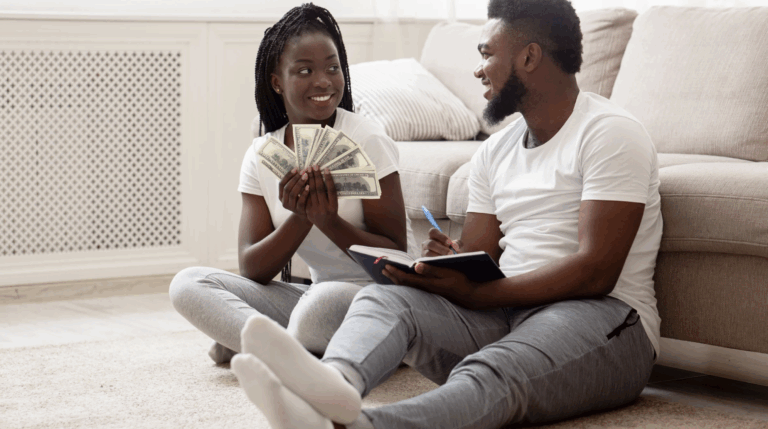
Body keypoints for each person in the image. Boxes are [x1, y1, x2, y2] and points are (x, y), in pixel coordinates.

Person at [229, 0, 663, 428]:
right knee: (384, 298)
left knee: (493, 371)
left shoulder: (609, 133)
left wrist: (481, 295)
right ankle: (333, 387)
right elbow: (480, 259)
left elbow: (596, 271)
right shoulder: (496, 151)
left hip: (602, 318)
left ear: (529, 56)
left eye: (487, 54)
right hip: (505, 313)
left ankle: (362, 425)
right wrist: (449, 260)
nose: (479, 70)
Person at [169, 3, 417, 364]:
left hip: (373, 298)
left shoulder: (367, 139)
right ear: (276, 82)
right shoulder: (261, 154)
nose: (323, 81)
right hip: (313, 297)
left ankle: (255, 342)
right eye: (305, 70)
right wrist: (301, 217)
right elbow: (253, 269)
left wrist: (329, 220)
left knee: (317, 309)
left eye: (333, 68)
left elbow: (395, 257)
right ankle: (286, 351)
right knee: (188, 283)